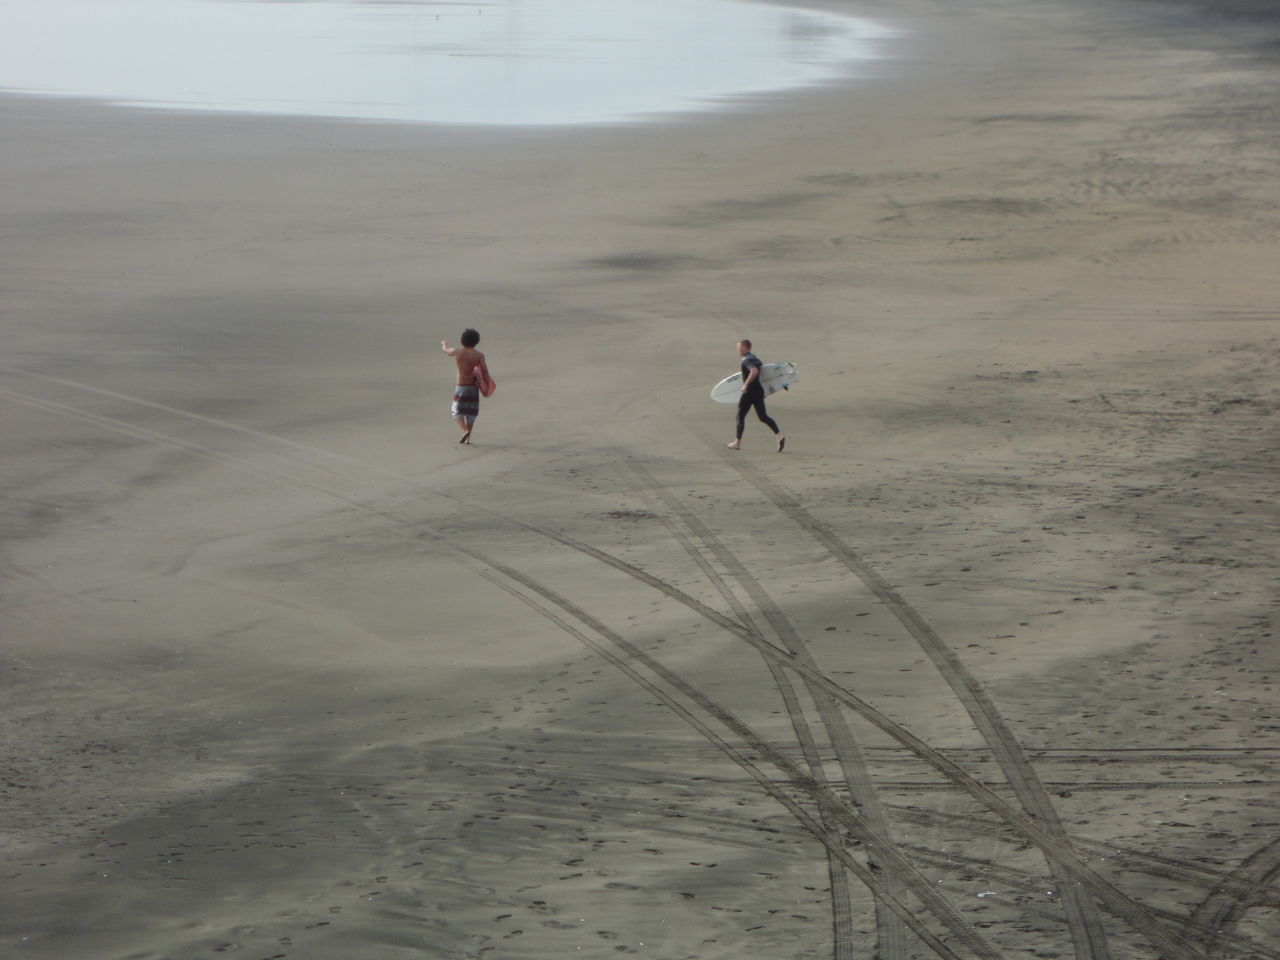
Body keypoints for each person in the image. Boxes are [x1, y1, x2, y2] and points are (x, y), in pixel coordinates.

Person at [727, 338, 785, 452]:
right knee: (763, 417)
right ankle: (779, 436)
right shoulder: (755, 358)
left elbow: (754, 371)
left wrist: (745, 385)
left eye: (738, 347)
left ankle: (737, 443)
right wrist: (765, 391)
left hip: (749, 392)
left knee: (740, 416)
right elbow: (764, 374)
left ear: (744, 347)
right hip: (758, 391)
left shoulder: (746, 360)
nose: (737, 350)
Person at [441, 328, 488, 444]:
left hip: (461, 387)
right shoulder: (479, 355)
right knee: (471, 412)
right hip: (473, 387)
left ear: (462, 340)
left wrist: (444, 344)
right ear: (476, 342)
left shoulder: (458, 352)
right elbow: (485, 371)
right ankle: (468, 439)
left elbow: (446, 351)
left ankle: (465, 431)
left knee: (456, 411)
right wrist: (486, 386)